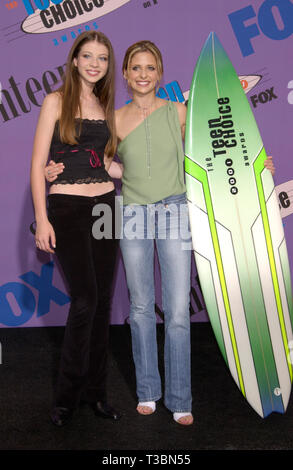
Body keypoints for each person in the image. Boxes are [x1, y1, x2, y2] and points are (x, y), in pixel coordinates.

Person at [45, 40, 276, 426]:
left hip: (174, 211)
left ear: (161, 73)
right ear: (125, 73)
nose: (143, 74)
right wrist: (56, 171)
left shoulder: (180, 112)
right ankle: (148, 392)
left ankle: (180, 398)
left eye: (151, 68)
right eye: (136, 67)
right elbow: (101, 165)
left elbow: (214, 151)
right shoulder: (113, 119)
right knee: (139, 311)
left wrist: (254, 163)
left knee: (178, 313)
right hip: (132, 214)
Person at [30, 31, 121, 427]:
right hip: (66, 207)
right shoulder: (54, 101)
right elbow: (37, 166)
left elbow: (108, 164)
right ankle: (66, 398)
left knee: (101, 303)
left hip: (106, 206)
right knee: (84, 299)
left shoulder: (105, 106)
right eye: (87, 56)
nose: (94, 63)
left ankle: (96, 395)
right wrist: (43, 218)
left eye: (101, 58)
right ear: (74, 60)